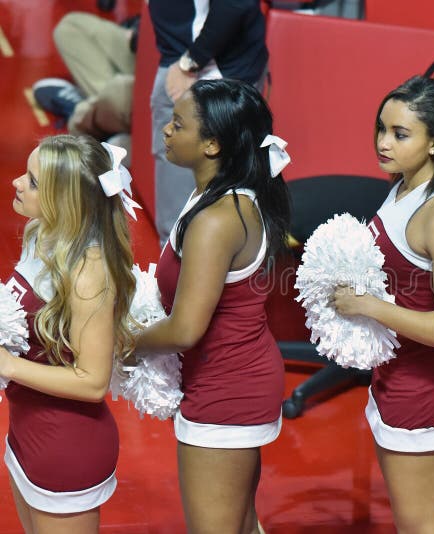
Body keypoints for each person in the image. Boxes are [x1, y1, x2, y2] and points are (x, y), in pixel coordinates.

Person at [134, 78, 290, 534]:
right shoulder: (220, 195)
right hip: (231, 381)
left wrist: (125, 343)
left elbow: (184, 330)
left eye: (178, 124)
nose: (166, 129)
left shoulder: (217, 220)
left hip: (227, 395)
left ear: (212, 145)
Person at [331, 76, 434, 533]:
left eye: (400, 134)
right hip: (396, 375)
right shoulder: (403, 186)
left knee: (420, 525)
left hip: (425, 388)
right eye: (382, 128)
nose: (383, 142)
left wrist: (369, 307)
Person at [1, 135, 137, 533]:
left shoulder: (87, 273)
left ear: (67, 201)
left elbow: (93, 382)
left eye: (34, 181)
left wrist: (7, 363)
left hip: (66, 445)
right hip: (26, 428)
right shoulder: (41, 234)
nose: (16, 183)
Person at [148, 0, 269, 244]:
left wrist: (191, 61)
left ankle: (188, 260)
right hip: (186, 55)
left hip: (207, 65)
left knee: (227, 174)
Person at [32, 12, 138, 153]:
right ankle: (103, 116)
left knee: (121, 90)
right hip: (155, 49)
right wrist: (140, 29)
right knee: (71, 28)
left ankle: (81, 114)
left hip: (168, 77)